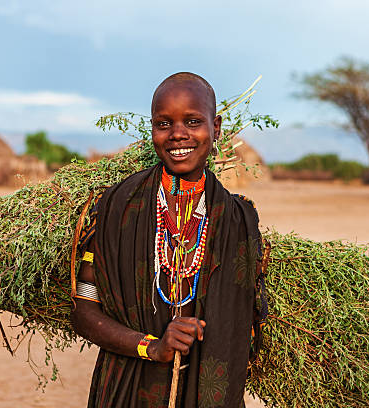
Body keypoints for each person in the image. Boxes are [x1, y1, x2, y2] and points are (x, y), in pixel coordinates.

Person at [72, 72, 266, 407]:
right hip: (127, 391)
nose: (178, 134)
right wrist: (153, 346)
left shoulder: (239, 220)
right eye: (164, 124)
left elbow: (246, 325)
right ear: (152, 130)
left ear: (216, 128)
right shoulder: (118, 207)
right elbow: (83, 310)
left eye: (193, 121)